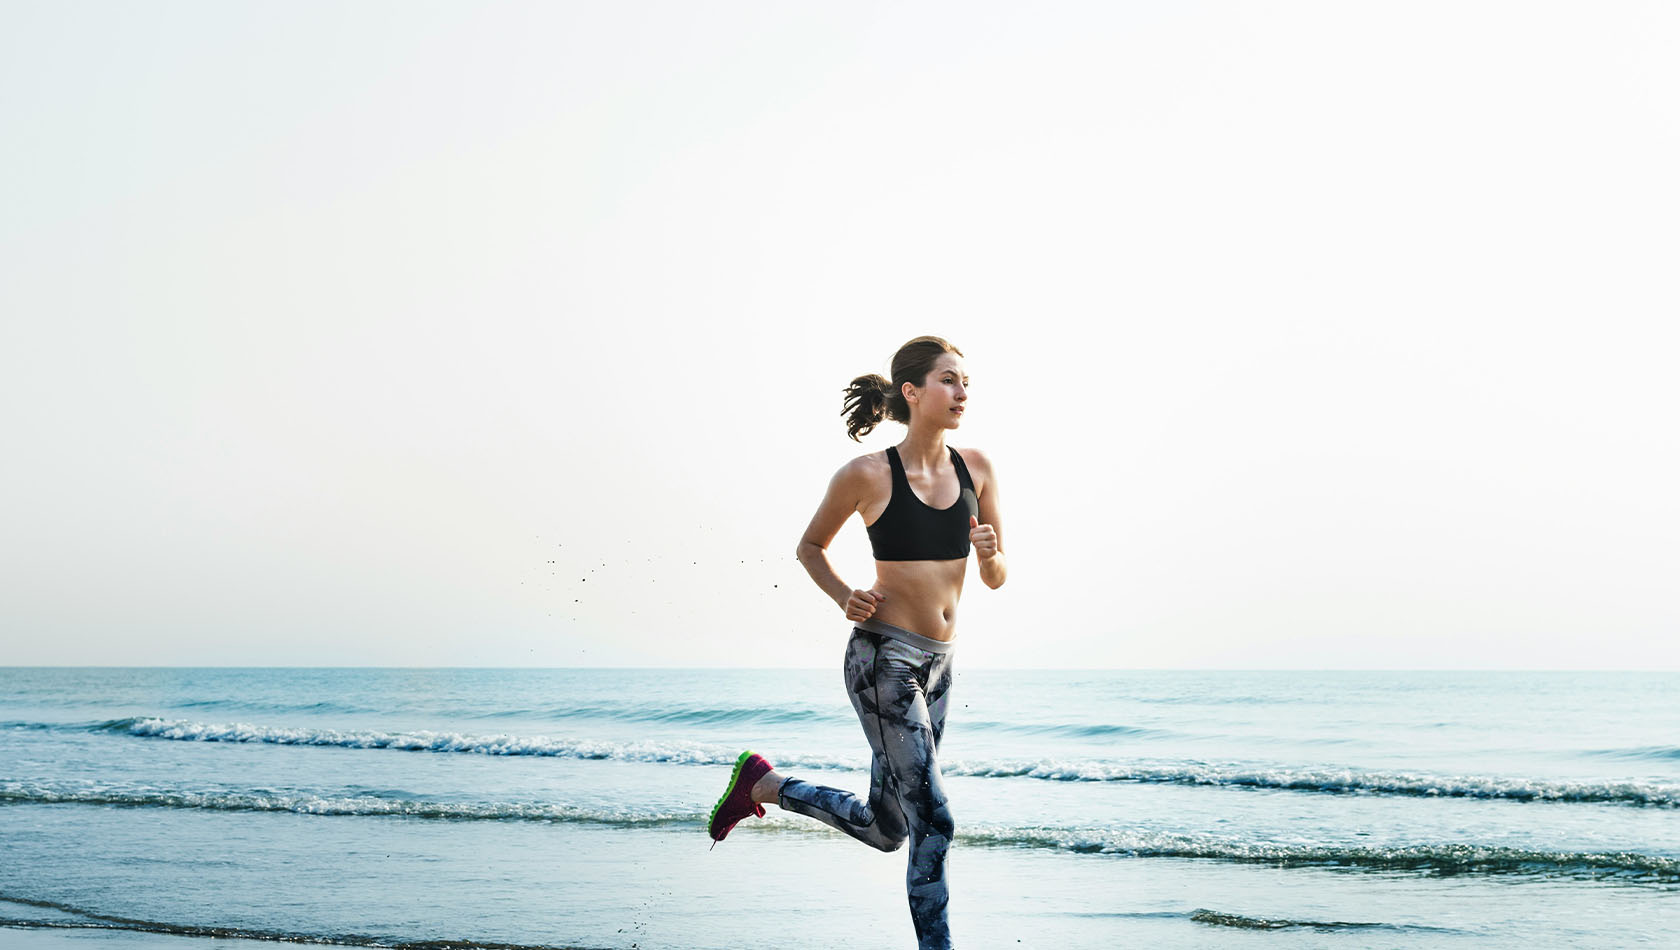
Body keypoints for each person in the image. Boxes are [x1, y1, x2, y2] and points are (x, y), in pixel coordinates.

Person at [706, 335, 1007, 950]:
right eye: (949, 380)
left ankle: (765, 786)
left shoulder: (976, 467)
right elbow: (810, 547)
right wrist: (844, 595)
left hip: (941, 665)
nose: (962, 393)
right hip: (883, 661)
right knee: (935, 821)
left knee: (889, 828)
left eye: (966, 382)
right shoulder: (867, 474)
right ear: (911, 391)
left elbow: (997, 577)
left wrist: (990, 555)